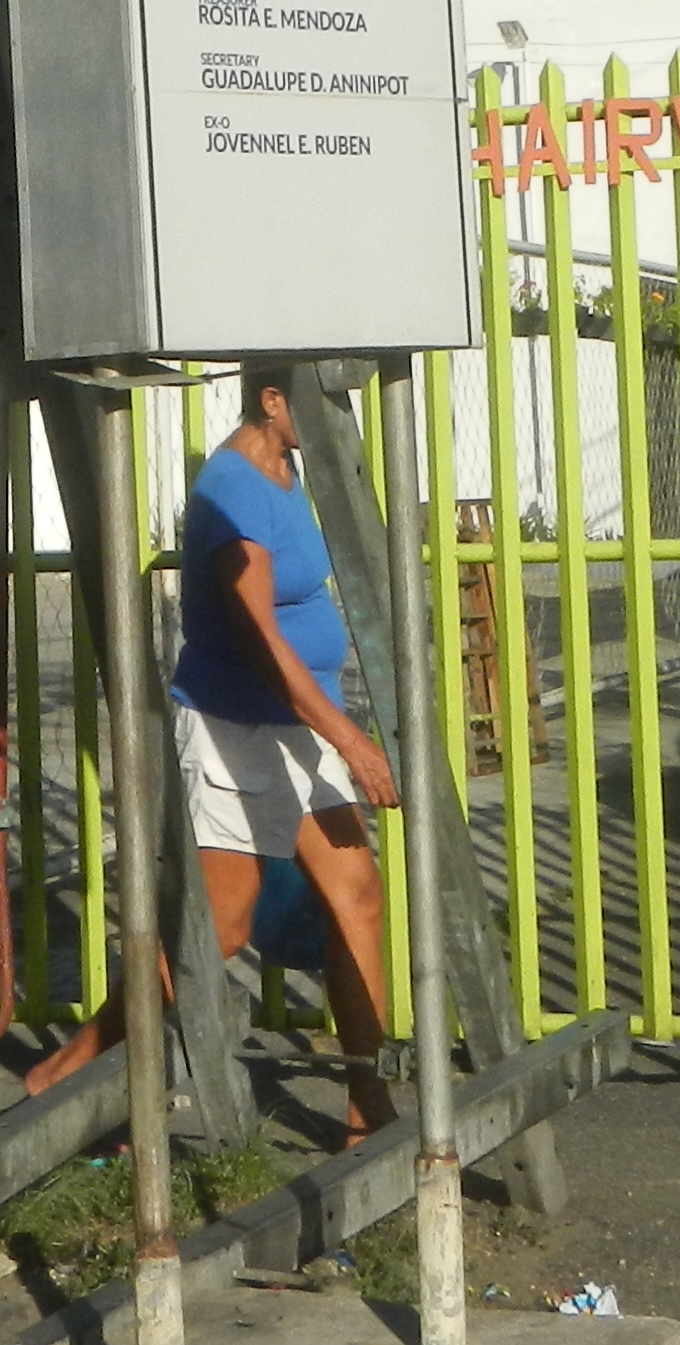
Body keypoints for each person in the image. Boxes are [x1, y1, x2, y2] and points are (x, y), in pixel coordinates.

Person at [29, 370, 404, 1138]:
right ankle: (58, 1076)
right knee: (219, 935)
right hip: (240, 728)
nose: (334, 417)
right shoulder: (230, 490)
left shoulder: (293, 470)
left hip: (305, 727)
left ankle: (371, 1113)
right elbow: (260, 638)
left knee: (358, 897)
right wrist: (350, 739)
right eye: (317, 402)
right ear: (271, 400)